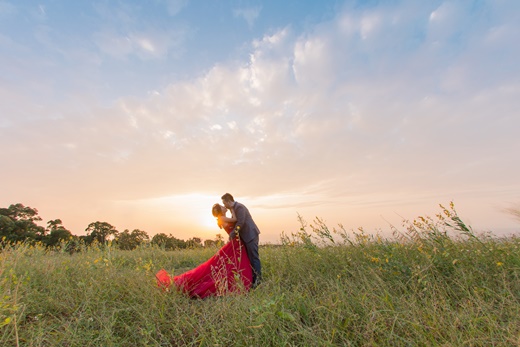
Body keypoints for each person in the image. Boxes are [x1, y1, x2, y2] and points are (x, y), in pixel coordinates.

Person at [155, 204, 252, 298]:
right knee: (228, 264)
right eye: (222, 206)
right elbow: (235, 220)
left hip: (236, 242)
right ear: (220, 210)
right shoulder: (222, 218)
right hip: (235, 243)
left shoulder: (224, 218)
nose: (224, 207)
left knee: (232, 264)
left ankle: (237, 281)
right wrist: (233, 208)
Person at [221, 193, 262, 288]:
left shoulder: (239, 207)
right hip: (246, 237)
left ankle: (258, 281)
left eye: (224, 203)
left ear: (228, 201)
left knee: (254, 258)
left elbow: (240, 223)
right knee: (250, 259)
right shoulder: (234, 209)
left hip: (250, 236)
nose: (224, 205)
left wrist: (232, 234)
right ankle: (253, 280)